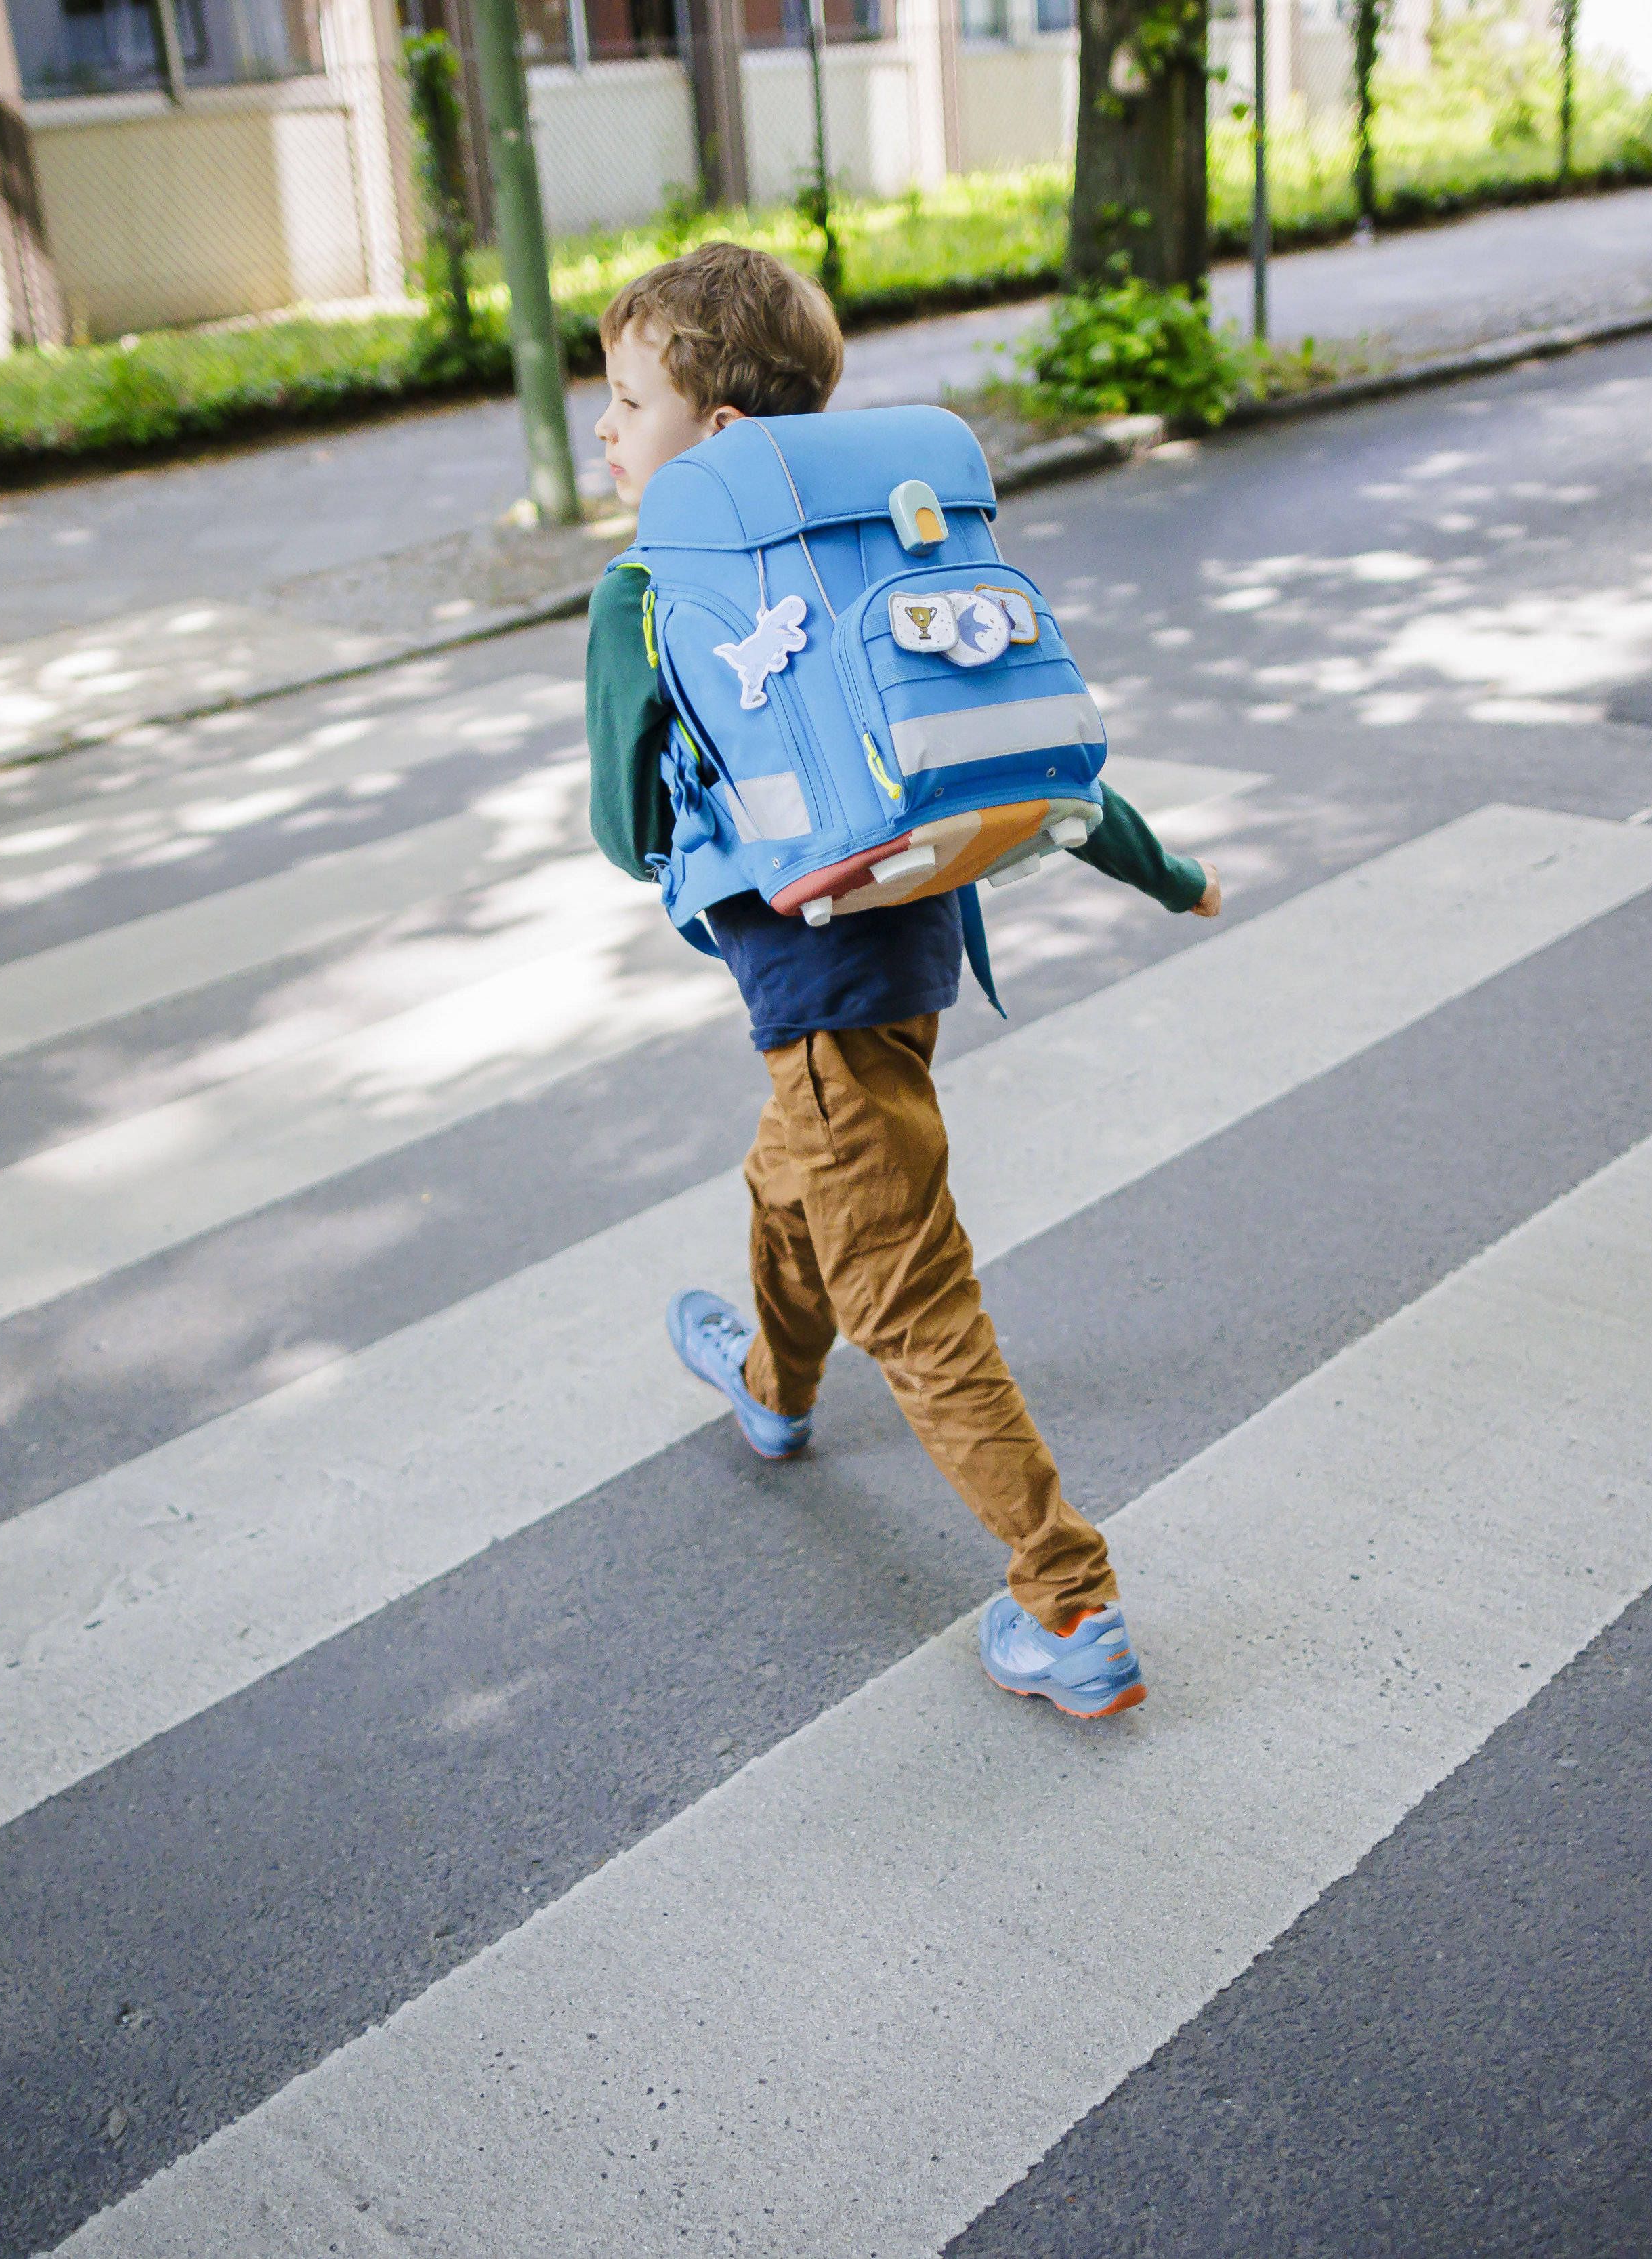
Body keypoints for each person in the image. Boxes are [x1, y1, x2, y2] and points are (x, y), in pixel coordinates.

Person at [583, 241, 1221, 1722]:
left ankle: (1067, 1600)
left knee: (912, 1292)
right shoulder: (889, 535)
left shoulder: (647, 591)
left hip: (812, 982)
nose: (607, 432)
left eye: (624, 403)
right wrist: (1164, 866)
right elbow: (1019, 738)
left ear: (720, 436)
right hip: (911, 941)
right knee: (786, 1177)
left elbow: (626, 836)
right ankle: (771, 1382)